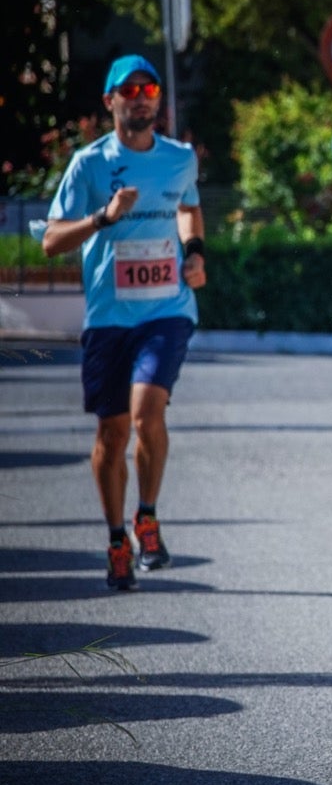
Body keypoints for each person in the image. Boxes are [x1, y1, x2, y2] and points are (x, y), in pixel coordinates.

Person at [41, 54, 208, 590]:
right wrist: (102, 219)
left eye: (149, 88)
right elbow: (49, 241)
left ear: (158, 100)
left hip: (167, 308)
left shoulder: (179, 158)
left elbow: (188, 207)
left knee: (145, 413)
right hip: (110, 317)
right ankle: (117, 538)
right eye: (128, 89)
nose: (140, 96)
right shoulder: (90, 165)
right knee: (111, 435)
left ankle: (149, 516)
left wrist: (196, 252)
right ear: (109, 100)